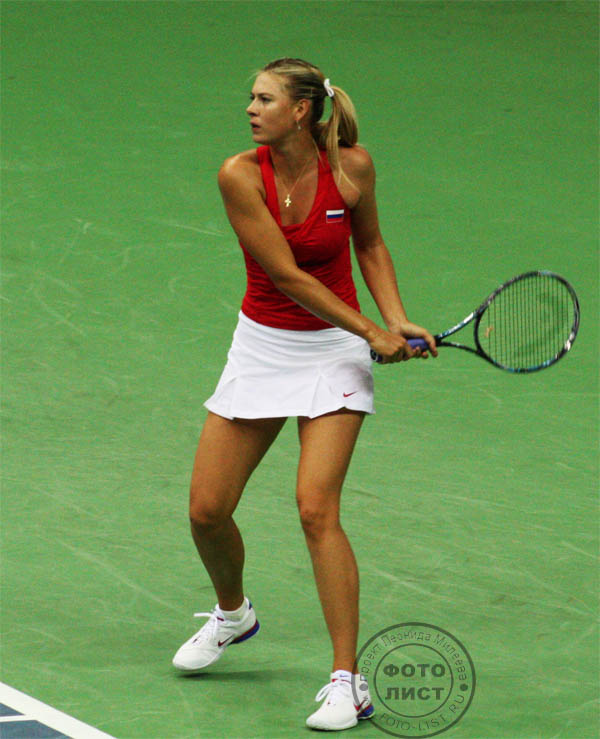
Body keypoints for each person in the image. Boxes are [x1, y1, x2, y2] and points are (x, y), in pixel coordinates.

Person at [172, 57, 437, 732]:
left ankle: (348, 681)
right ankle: (234, 613)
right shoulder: (239, 174)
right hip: (264, 347)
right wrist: (373, 330)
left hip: (333, 353)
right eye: (251, 97)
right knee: (206, 511)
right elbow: (287, 275)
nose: (250, 108)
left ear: (300, 111)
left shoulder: (353, 169)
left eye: (264, 99)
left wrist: (396, 316)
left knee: (317, 508)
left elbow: (370, 244)